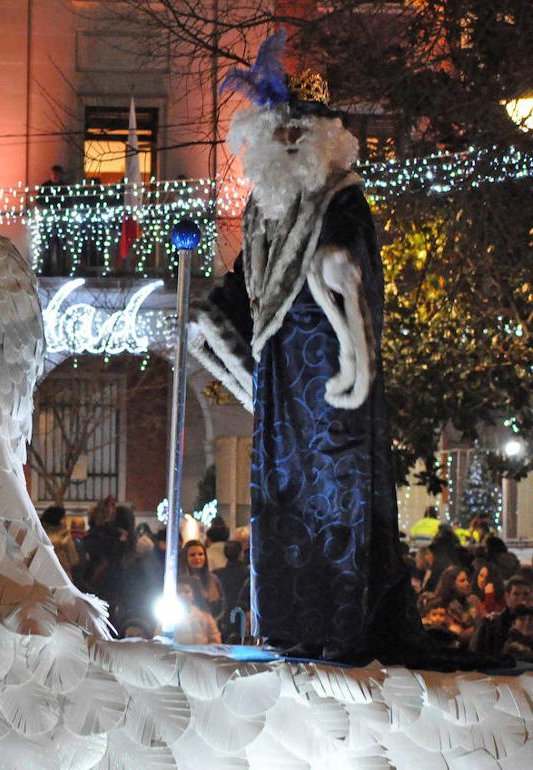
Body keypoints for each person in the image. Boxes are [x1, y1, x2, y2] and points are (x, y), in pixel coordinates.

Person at [188, 30, 423, 662]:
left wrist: (336, 266)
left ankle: (341, 624)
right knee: (281, 504)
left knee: (331, 499)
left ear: (323, 137)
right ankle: (287, 622)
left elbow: (352, 257)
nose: (289, 142)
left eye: (300, 132)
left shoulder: (340, 200)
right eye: (279, 132)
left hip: (327, 390)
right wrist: (211, 317)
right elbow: (245, 288)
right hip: (276, 389)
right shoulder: (262, 215)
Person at [470, 575, 533, 655]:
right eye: (516, 594)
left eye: (526, 594)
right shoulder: (491, 624)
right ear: (507, 597)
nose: (521, 599)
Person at [180, 539, 224, 617]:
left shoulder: (213, 579)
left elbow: (221, 606)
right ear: (185, 557)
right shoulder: (180, 581)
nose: (197, 558)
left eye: (200, 554)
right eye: (192, 555)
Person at [173, 577, 221, 646]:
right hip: (177, 654)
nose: (183, 595)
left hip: (200, 654)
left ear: (193, 595)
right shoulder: (168, 615)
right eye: (179, 592)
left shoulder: (205, 616)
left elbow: (214, 638)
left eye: (187, 592)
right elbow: (160, 637)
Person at [40, 505, 80, 580]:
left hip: (42, 577)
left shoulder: (39, 538)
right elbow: (74, 559)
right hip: (63, 577)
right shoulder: (65, 538)